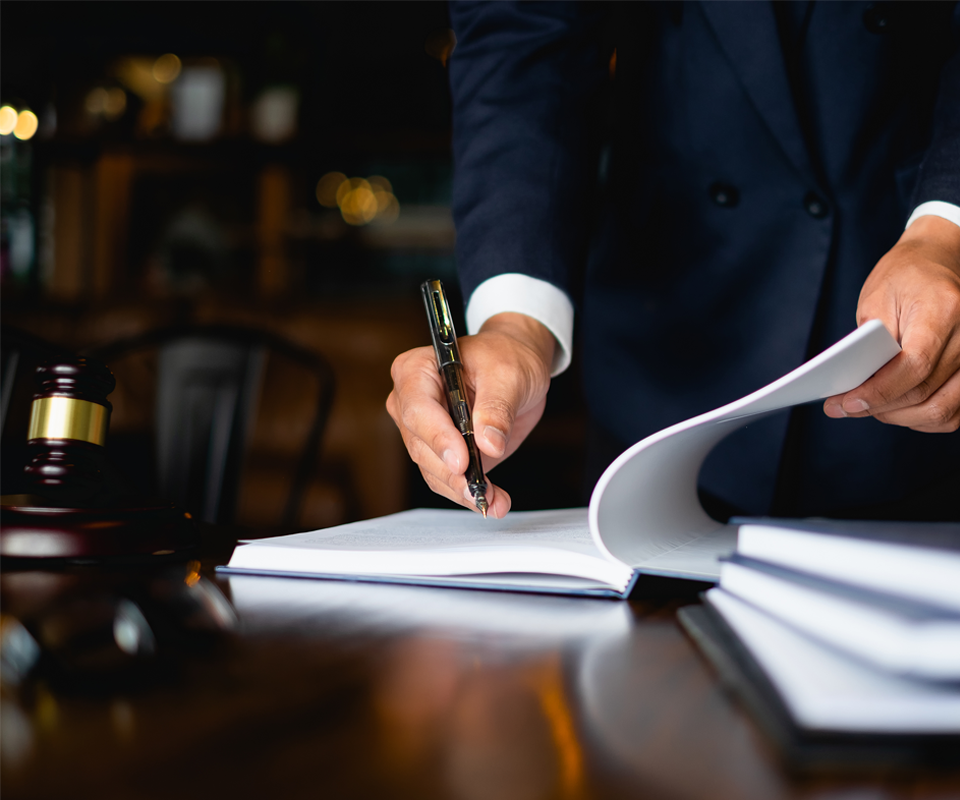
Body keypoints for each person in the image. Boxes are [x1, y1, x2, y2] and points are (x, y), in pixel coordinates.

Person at [388, 1, 960, 521]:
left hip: (924, 342)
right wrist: (515, 324)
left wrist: (947, 229)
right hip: (667, 371)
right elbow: (522, 38)